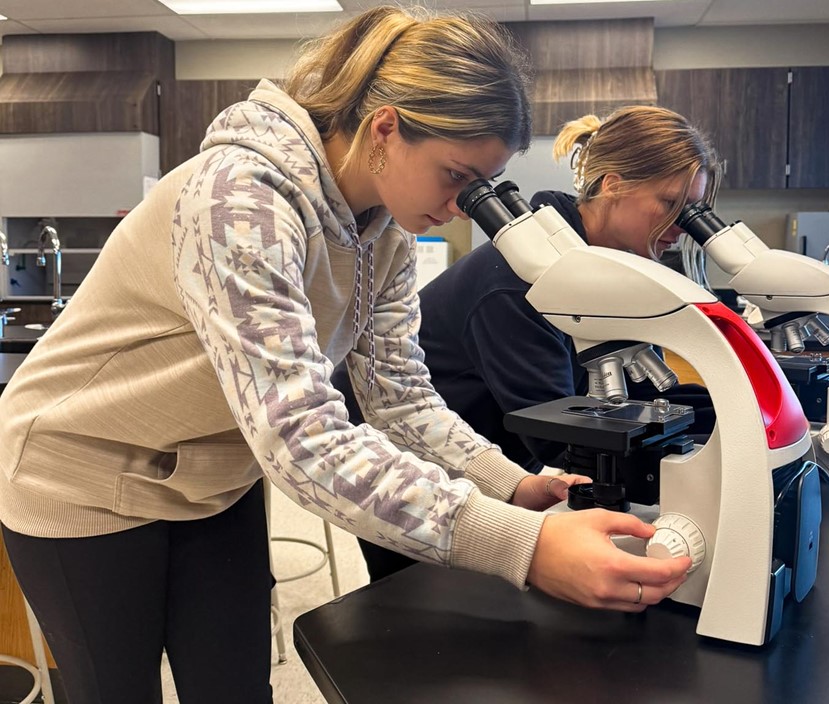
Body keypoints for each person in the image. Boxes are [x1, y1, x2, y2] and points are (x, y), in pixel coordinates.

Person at [0, 9, 691, 704]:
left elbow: (399, 398)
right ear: (386, 128)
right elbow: (301, 436)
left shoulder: (383, 232)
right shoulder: (241, 197)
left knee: (236, 687)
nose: (461, 206)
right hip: (81, 468)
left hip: (208, 474)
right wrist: (522, 546)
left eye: (481, 184)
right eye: (455, 175)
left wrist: (509, 484)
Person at [336, 105, 722, 581]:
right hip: (401, 462)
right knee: (426, 615)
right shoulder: (517, 280)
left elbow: (644, 402)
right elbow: (557, 434)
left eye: (693, 212)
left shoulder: (617, 272)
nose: (683, 227)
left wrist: (728, 423)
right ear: (613, 184)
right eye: (670, 205)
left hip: (488, 460)